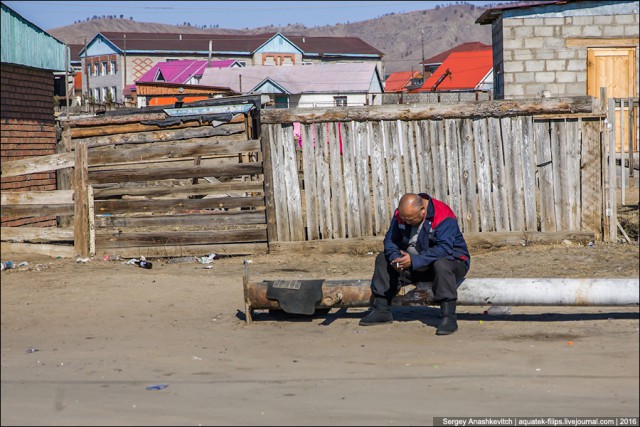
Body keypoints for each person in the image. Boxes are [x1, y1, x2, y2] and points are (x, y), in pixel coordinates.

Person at [359, 192, 470, 335]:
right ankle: (381, 310)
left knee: (441, 264)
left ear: (423, 211)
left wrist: (415, 260)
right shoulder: (402, 215)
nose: (405, 221)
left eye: (410, 219)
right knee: (383, 259)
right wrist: (396, 259)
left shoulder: (443, 214)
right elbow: (390, 241)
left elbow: (444, 249)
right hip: (413, 265)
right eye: (403, 218)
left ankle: (448, 317)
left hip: (451, 264)